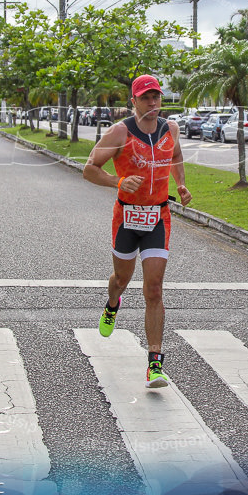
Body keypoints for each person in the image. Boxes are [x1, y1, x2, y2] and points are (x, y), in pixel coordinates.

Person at [82, 74, 192, 389]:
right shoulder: (120, 132)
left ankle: (155, 365)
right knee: (122, 280)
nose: (153, 103)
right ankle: (112, 303)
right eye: (146, 98)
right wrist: (118, 182)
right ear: (134, 101)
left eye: (156, 97)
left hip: (158, 216)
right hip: (126, 218)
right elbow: (89, 169)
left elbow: (176, 156)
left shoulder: (170, 129)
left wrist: (181, 183)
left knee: (154, 289)